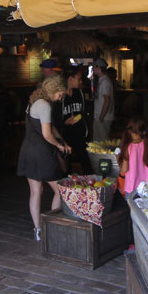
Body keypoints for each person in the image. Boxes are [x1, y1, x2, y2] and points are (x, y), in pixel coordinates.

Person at [16, 75, 71, 241]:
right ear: (54, 89)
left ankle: (38, 230)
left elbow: (49, 126)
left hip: (28, 151)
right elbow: (47, 134)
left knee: (35, 192)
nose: (60, 97)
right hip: (41, 153)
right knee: (61, 191)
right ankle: (51, 226)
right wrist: (59, 146)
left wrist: (62, 140)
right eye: (60, 94)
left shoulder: (34, 100)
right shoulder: (45, 105)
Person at [57, 66, 89, 173]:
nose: (80, 81)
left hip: (79, 133)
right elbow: (54, 119)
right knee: (66, 164)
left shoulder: (79, 93)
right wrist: (65, 122)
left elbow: (83, 112)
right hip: (65, 135)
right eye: (78, 79)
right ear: (70, 79)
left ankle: (90, 184)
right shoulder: (59, 96)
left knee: (85, 160)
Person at [118, 116, 148, 197]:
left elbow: (124, 169)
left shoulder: (128, 147)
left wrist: (118, 158)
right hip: (145, 187)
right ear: (144, 132)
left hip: (132, 188)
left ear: (130, 131)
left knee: (132, 208)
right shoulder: (147, 145)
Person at [93, 58, 114, 142]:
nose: (93, 69)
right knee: (99, 141)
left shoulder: (105, 82)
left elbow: (107, 100)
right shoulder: (102, 80)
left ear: (99, 68)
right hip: (101, 116)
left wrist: (101, 116)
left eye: (94, 67)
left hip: (102, 117)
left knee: (102, 142)